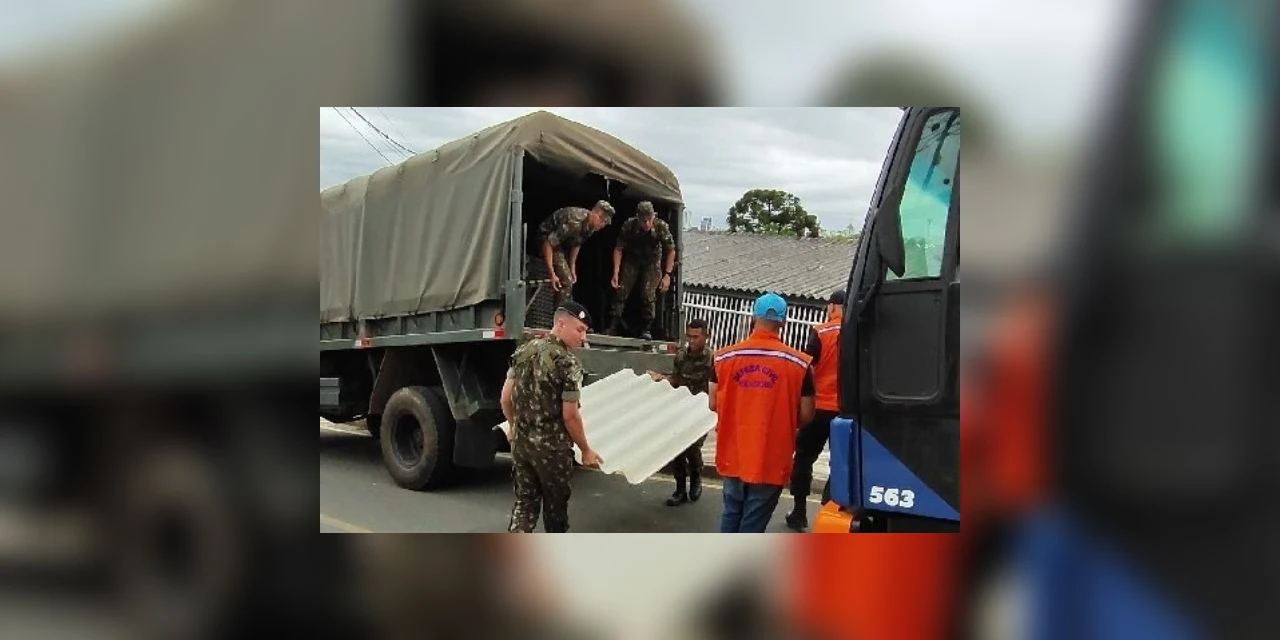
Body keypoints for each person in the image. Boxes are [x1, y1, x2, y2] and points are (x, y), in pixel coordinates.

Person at [708, 293, 815, 533]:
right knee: (752, 524)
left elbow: (713, 403)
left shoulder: (722, 357)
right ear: (783, 322)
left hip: (733, 452)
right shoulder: (800, 364)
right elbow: (807, 415)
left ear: (752, 319)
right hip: (771, 457)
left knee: (731, 513)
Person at [500, 301, 604, 533]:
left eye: (585, 331)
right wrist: (585, 450)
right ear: (560, 323)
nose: (583, 337)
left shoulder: (524, 351)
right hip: (552, 451)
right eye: (579, 329)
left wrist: (514, 427)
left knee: (525, 506)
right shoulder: (567, 363)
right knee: (555, 511)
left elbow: (506, 398)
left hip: (523, 445)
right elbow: (570, 416)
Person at [785, 289, 846, 531]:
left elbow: (806, 369)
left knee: (803, 458)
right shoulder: (858, 331)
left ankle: (799, 512)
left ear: (831, 307)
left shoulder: (820, 332)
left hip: (818, 408)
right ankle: (828, 509)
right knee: (840, 463)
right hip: (845, 412)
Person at [646, 318, 714, 506]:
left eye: (696, 337)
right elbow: (675, 379)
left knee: (693, 447)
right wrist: (661, 378)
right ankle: (680, 490)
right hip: (681, 408)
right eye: (689, 336)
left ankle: (696, 478)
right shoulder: (681, 356)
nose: (692, 341)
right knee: (676, 448)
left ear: (706, 337)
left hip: (701, 411)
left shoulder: (713, 359)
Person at [607, 200, 675, 339]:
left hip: (651, 260)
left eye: (649, 220)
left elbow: (671, 251)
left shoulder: (661, 227)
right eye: (643, 220)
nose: (647, 224)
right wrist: (616, 272)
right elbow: (618, 248)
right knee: (622, 291)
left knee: (648, 294)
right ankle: (613, 325)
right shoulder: (629, 226)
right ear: (637, 218)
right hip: (632, 259)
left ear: (653, 217)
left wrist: (667, 275)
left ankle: (647, 328)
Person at [539, 200, 615, 307]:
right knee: (567, 281)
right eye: (601, 220)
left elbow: (577, 243)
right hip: (545, 238)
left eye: (604, 223)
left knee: (569, 277)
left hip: (561, 244)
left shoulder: (592, 227)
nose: (602, 225)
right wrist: (551, 273)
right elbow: (548, 243)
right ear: (594, 212)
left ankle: (562, 311)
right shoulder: (574, 222)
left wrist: (572, 267)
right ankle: (559, 317)